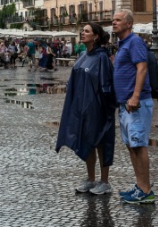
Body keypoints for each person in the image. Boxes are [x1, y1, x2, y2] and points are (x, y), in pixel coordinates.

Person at [56, 22, 116, 196]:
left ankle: (105, 181)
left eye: (87, 31)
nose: (82, 33)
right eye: (82, 31)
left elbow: (106, 84)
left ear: (96, 36)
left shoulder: (102, 57)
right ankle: (90, 179)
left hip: (98, 108)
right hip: (81, 108)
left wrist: (107, 108)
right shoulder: (83, 55)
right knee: (87, 141)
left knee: (101, 143)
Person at [111, 10, 155, 204]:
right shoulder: (123, 44)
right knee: (131, 146)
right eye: (113, 20)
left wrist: (136, 96)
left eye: (118, 20)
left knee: (138, 145)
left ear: (129, 24)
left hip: (135, 103)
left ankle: (146, 191)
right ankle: (139, 186)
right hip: (126, 104)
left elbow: (142, 67)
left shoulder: (135, 42)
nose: (114, 23)